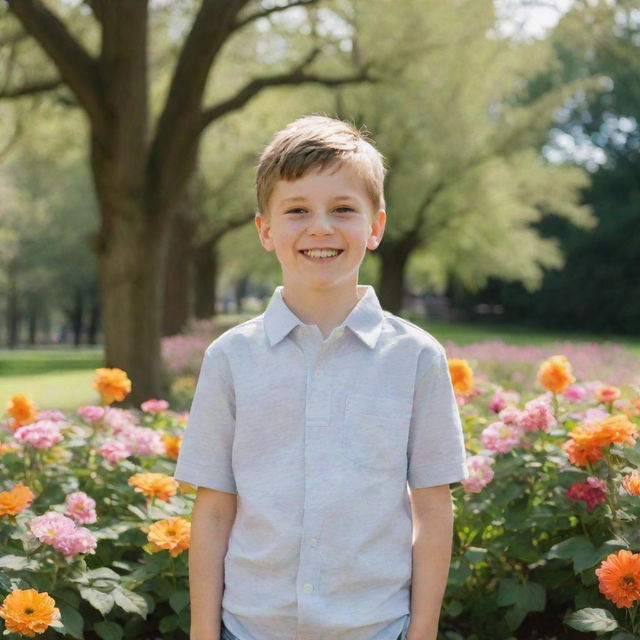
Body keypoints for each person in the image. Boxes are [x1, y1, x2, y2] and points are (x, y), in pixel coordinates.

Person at [173, 114, 469, 640]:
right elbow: (215, 506)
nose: (321, 228)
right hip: (251, 627)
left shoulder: (417, 358)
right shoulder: (230, 359)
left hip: (377, 627)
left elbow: (432, 506)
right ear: (266, 230)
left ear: (375, 226)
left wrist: (422, 633)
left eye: (343, 209)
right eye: (297, 210)